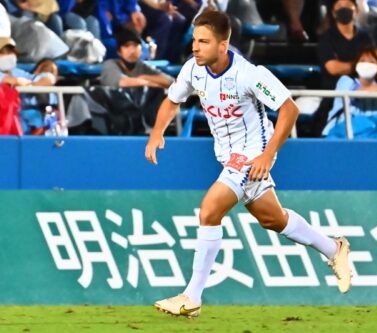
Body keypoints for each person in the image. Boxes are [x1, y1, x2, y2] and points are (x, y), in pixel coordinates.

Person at [144, 10, 352, 318]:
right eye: (195, 40)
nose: (196, 47)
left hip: (253, 154)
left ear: (223, 44)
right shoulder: (193, 69)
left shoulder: (250, 74)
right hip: (228, 156)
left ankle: (192, 297)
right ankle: (334, 249)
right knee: (273, 219)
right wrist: (157, 133)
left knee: (210, 209)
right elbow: (173, 99)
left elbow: (289, 110)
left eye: (204, 41)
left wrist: (267, 156)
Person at [314, 0, 374, 136]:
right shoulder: (327, 38)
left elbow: (373, 64)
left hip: (363, 94)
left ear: (356, 11)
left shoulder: (365, 37)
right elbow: (332, 68)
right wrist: (359, 65)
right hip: (332, 95)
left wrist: (351, 66)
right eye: (339, 7)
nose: (344, 9)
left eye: (348, 6)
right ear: (333, 13)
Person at [322, 46, 377, 138]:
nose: (366, 65)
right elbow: (359, 93)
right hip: (342, 133)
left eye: (371, 62)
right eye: (362, 61)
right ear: (356, 65)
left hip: (374, 132)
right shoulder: (346, 80)